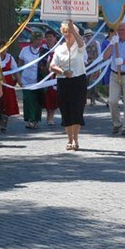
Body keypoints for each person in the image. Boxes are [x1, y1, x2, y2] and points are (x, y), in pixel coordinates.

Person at [50, 20, 87, 151]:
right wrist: (63, 72)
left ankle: (76, 139)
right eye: (65, 32)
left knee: (77, 109)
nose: (68, 34)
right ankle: (69, 139)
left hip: (78, 81)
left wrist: (73, 29)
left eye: (70, 32)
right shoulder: (59, 49)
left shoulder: (79, 46)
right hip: (64, 81)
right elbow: (52, 66)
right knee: (66, 110)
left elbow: (81, 42)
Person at [19, 31, 45, 129]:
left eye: (40, 40)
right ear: (32, 40)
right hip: (26, 79)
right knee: (29, 100)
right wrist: (18, 77)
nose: (39, 42)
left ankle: (36, 120)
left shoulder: (43, 51)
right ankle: (31, 119)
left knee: (38, 100)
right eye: (37, 39)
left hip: (39, 79)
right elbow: (20, 63)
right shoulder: (25, 50)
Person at [0, 41, 20, 132]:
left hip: (8, 84)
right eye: (2, 48)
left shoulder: (10, 58)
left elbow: (15, 70)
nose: (4, 50)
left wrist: (19, 81)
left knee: (7, 102)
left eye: (5, 48)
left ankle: (3, 124)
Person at [41, 30, 60, 126]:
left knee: (54, 96)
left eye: (50, 37)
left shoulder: (59, 49)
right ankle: (48, 114)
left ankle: (51, 116)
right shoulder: (43, 49)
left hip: (55, 75)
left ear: (55, 38)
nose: (48, 39)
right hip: (44, 75)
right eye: (47, 37)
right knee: (46, 96)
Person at [83, 29, 104, 105]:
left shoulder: (96, 43)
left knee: (93, 82)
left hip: (94, 65)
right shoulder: (83, 44)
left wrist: (99, 66)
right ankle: (85, 98)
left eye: (90, 35)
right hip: (86, 65)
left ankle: (93, 99)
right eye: (87, 36)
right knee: (85, 82)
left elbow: (99, 54)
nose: (88, 37)